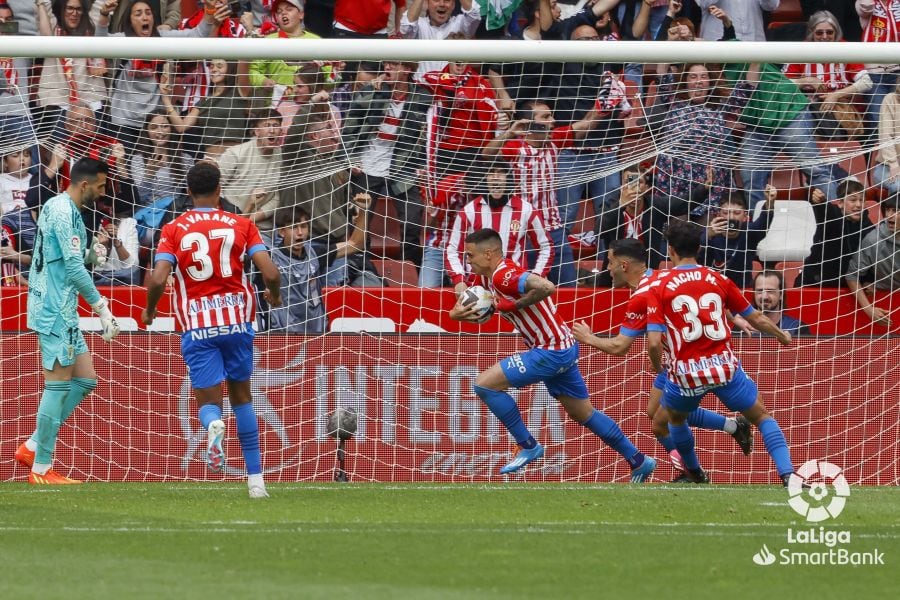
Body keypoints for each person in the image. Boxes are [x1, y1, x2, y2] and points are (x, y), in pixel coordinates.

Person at [449, 228, 658, 482]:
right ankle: (639, 460)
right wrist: (456, 313)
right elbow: (466, 297)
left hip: (551, 350)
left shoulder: (504, 275)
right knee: (584, 414)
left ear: (489, 253)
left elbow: (547, 286)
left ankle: (527, 445)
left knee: (484, 385)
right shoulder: (489, 277)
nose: (468, 260)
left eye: (470, 255)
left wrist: (511, 305)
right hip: (562, 347)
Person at [141, 162, 282, 498]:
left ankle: (211, 426)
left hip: (198, 324)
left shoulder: (174, 228)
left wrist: (149, 310)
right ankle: (256, 482)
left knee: (208, 402)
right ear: (221, 190)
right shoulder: (242, 224)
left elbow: (159, 277)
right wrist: (273, 297)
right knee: (243, 398)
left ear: (188, 192)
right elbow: (272, 274)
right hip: (237, 321)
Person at [572, 238, 753, 479]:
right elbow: (700, 293)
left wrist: (588, 338)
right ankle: (732, 427)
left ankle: (694, 471)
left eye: (610, 261)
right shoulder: (660, 276)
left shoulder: (645, 293)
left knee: (664, 420)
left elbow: (619, 347)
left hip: (687, 361)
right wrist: (732, 316)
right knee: (655, 416)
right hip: (675, 358)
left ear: (624, 265)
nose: (607, 267)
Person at [646, 220, 797, 485]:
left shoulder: (659, 286)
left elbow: (655, 343)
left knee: (675, 420)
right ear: (700, 248)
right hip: (724, 368)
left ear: (670, 250)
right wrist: (781, 334)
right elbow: (756, 317)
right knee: (761, 416)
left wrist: (659, 366)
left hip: (686, 373)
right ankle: (787, 474)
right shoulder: (719, 279)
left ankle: (695, 474)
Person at [13, 157, 122, 484]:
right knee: (57, 385)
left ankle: (33, 445)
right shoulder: (63, 212)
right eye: (101, 186)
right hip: (52, 307)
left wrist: (91, 255)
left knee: (85, 379)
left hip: (62, 306)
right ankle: (42, 469)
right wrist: (102, 307)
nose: (104, 192)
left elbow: (64, 257)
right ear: (85, 184)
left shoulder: (66, 209)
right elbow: (72, 270)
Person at [445, 162, 553, 296]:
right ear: (484, 179)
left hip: (514, 287)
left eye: (501, 172)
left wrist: (535, 277)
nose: (496, 177)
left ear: (509, 179)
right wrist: (459, 280)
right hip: (477, 290)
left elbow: (546, 247)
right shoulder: (468, 211)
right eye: (491, 173)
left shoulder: (526, 210)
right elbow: (453, 249)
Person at [797, 178, 874, 287]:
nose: (858, 204)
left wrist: (868, 280)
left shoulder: (868, 226)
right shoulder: (832, 217)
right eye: (853, 200)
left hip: (848, 287)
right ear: (840, 203)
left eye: (862, 200)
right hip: (815, 282)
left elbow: (871, 257)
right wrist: (821, 203)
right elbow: (826, 213)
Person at [265, 207, 327, 334]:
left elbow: (356, 244)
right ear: (282, 232)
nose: (300, 232)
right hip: (283, 331)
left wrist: (363, 212)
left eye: (303, 226)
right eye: (293, 227)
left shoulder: (315, 253)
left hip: (316, 328)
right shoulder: (269, 257)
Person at [700, 188, 773, 288]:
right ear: (718, 215)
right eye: (726, 213)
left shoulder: (749, 233)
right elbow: (695, 259)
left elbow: (762, 224)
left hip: (742, 290)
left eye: (737, 213)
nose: (731, 217)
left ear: (745, 216)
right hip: (714, 290)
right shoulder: (710, 234)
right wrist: (707, 236)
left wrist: (770, 202)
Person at [845, 193, 900, 326]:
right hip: (886, 300)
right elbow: (852, 275)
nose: (889, 216)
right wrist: (869, 310)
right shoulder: (873, 240)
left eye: (896, 211)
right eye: (888, 210)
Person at [400, 0, 482, 82]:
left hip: (451, 89)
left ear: (453, 5)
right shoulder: (419, 25)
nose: (442, 4)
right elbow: (406, 28)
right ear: (427, 3)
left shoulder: (460, 24)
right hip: (422, 89)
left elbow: (474, 15)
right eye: (436, 0)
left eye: (447, 0)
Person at [750, 271, 810, 336]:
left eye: (770, 291)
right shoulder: (743, 326)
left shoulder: (798, 328)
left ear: (781, 294)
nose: (765, 297)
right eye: (760, 291)